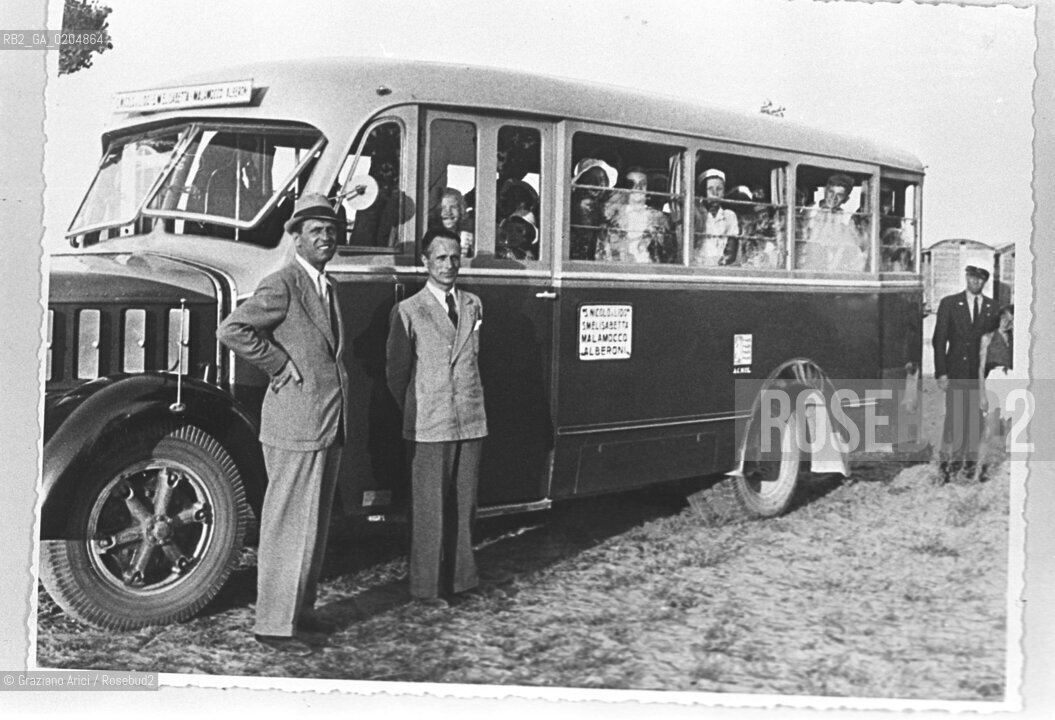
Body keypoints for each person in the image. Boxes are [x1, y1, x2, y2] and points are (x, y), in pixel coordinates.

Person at [216, 193, 349, 655]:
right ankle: (273, 626)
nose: (326, 238)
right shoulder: (283, 284)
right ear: (295, 238)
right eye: (315, 231)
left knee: (312, 526)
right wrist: (278, 363)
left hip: (325, 423)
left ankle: (301, 614)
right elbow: (232, 329)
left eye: (331, 231)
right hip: (295, 423)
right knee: (287, 526)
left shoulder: (325, 286)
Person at [386, 228, 488, 604]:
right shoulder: (409, 311)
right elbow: (396, 373)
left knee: (465, 506)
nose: (449, 264)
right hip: (429, 422)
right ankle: (426, 589)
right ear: (425, 261)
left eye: (455, 256)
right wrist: (419, 408)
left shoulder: (474, 305)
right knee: (430, 508)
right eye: (440, 257)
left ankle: (462, 582)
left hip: (470, 418)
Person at [932, 265, 999, 483]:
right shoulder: (950, 303)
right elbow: (939, 340)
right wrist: (941, 372)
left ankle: (969, 467)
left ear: (984, 282)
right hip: (956, 371)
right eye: (972, 278)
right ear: (966, 278)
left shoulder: (992, 307)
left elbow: (993, 343)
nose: (975, 282)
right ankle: (946, 466)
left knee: (975, 422)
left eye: (980, 279)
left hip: (979, 375)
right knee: (954, 420)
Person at [976, 304, 1019, 480]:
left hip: (1011, 381)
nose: (1006, 323)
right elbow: (980, 368)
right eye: (1003, 318)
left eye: (1010, 320)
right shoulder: (987, 337)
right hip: (994, 380)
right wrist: (982, 395)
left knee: (1009, 428)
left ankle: (1003, 470)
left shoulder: (1017, 339)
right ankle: (979, 470)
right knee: (990, 429)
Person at [601, 166, 676, 263]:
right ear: (625, 188)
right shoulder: (612, 219)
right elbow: (603, 255)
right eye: (631, 184)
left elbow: (669, 256)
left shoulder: (660, 219)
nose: (638, 188)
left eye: (643, 184)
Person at [799, 173, 866, 272]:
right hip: (809, 265)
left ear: (846, 199)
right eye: (831, 192)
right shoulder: (810, 211)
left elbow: (851, 246)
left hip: (834, 267)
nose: (833, 198)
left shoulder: (846, 218)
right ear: (825, 191)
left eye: (839, 195)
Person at [569, 158, 617, 260]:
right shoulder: (578, 205)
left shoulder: (608, 211)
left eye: (602, 180)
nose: (597, 185)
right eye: (590, 180)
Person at [692, 168, 739, 266]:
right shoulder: (696, 215)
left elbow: (731, 251)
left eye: (719, 189)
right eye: (710, 189)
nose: (715, 193)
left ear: (724, 193)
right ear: (703, 192)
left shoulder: (729, 216)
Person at [432, 187, 475, 259]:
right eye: (443, 208)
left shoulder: (467, 235)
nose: (448, 212)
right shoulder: (431, 236)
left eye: (453, 207)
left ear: (461, 209)